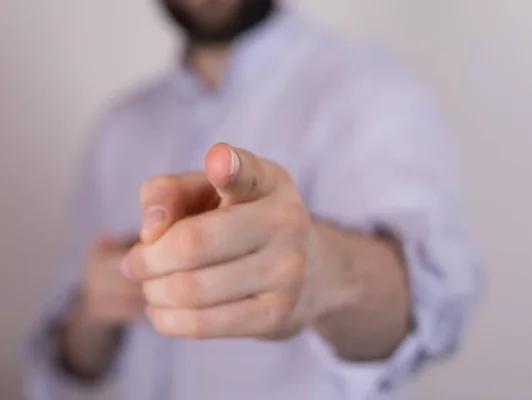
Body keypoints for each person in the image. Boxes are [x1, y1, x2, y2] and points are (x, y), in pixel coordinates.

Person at [25, 1, 482, 399]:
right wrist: (94, 310)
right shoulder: (120, 128)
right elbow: (69, 366)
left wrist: (322, 270)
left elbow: (434, 303)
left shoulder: (370, 94)